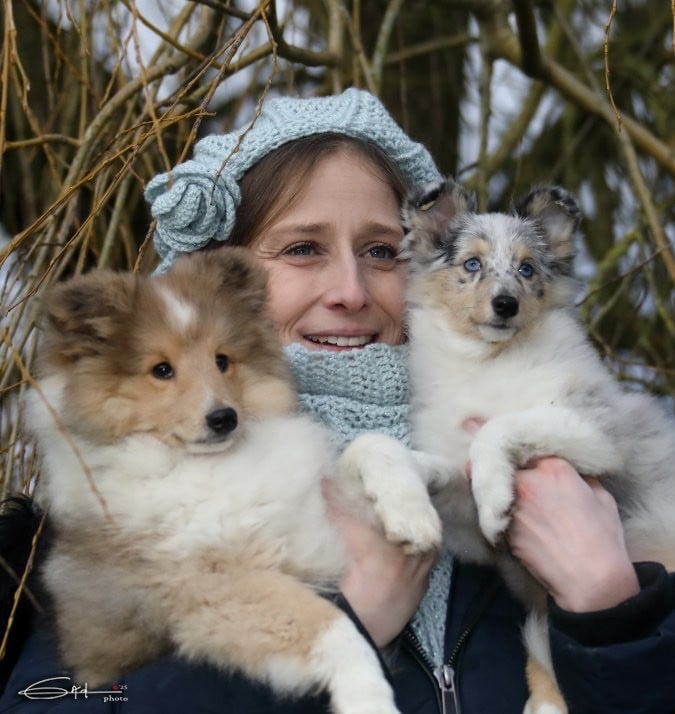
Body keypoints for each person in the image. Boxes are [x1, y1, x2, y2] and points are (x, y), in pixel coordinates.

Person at [2, 89, 674, 714]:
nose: (350, 290)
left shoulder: (564, 481)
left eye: (381, 251)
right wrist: (339, 629)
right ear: (219, 283)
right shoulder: (125, 510)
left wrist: (608, 611)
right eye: (302, 249)